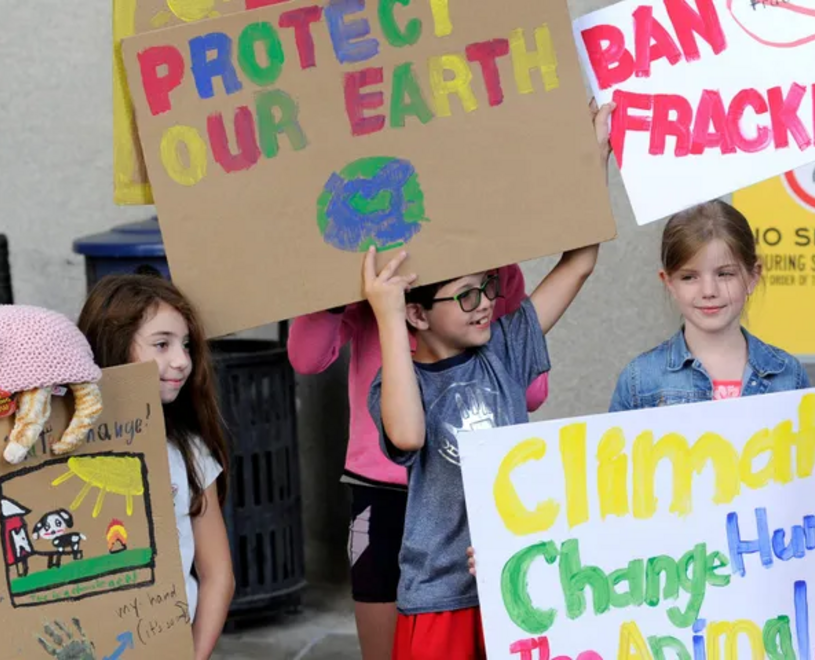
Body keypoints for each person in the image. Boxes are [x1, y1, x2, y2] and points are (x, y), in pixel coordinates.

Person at [365, 101, 614, 660]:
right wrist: (383, 311)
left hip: (515, 585)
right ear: (417, 315)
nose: (486, 305)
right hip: (439, 597)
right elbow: (406, 436)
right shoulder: (400, 384)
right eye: (468, 295)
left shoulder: (504, 346)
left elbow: (578, 265)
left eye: (487, 287)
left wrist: (591, 166)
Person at [287, 268, 549, 660]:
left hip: (473, 494)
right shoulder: (369, 274)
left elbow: (531, 393)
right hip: (380, 487)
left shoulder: (494, 271)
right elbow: (306, 358)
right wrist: (357, 293)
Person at [77, 274, 235, 660]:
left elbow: (219, 576)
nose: (181, 360)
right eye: (162, 344)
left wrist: (196, 655)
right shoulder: (66, 447)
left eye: (186, 345)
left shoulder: (189, 451)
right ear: (113, 344)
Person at [609, 200, 810, 412]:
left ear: (753, 276)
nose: (709, 291)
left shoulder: (788, 374)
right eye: (689, 277)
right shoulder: (640, 379)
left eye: (724, 274)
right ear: (669, 283)